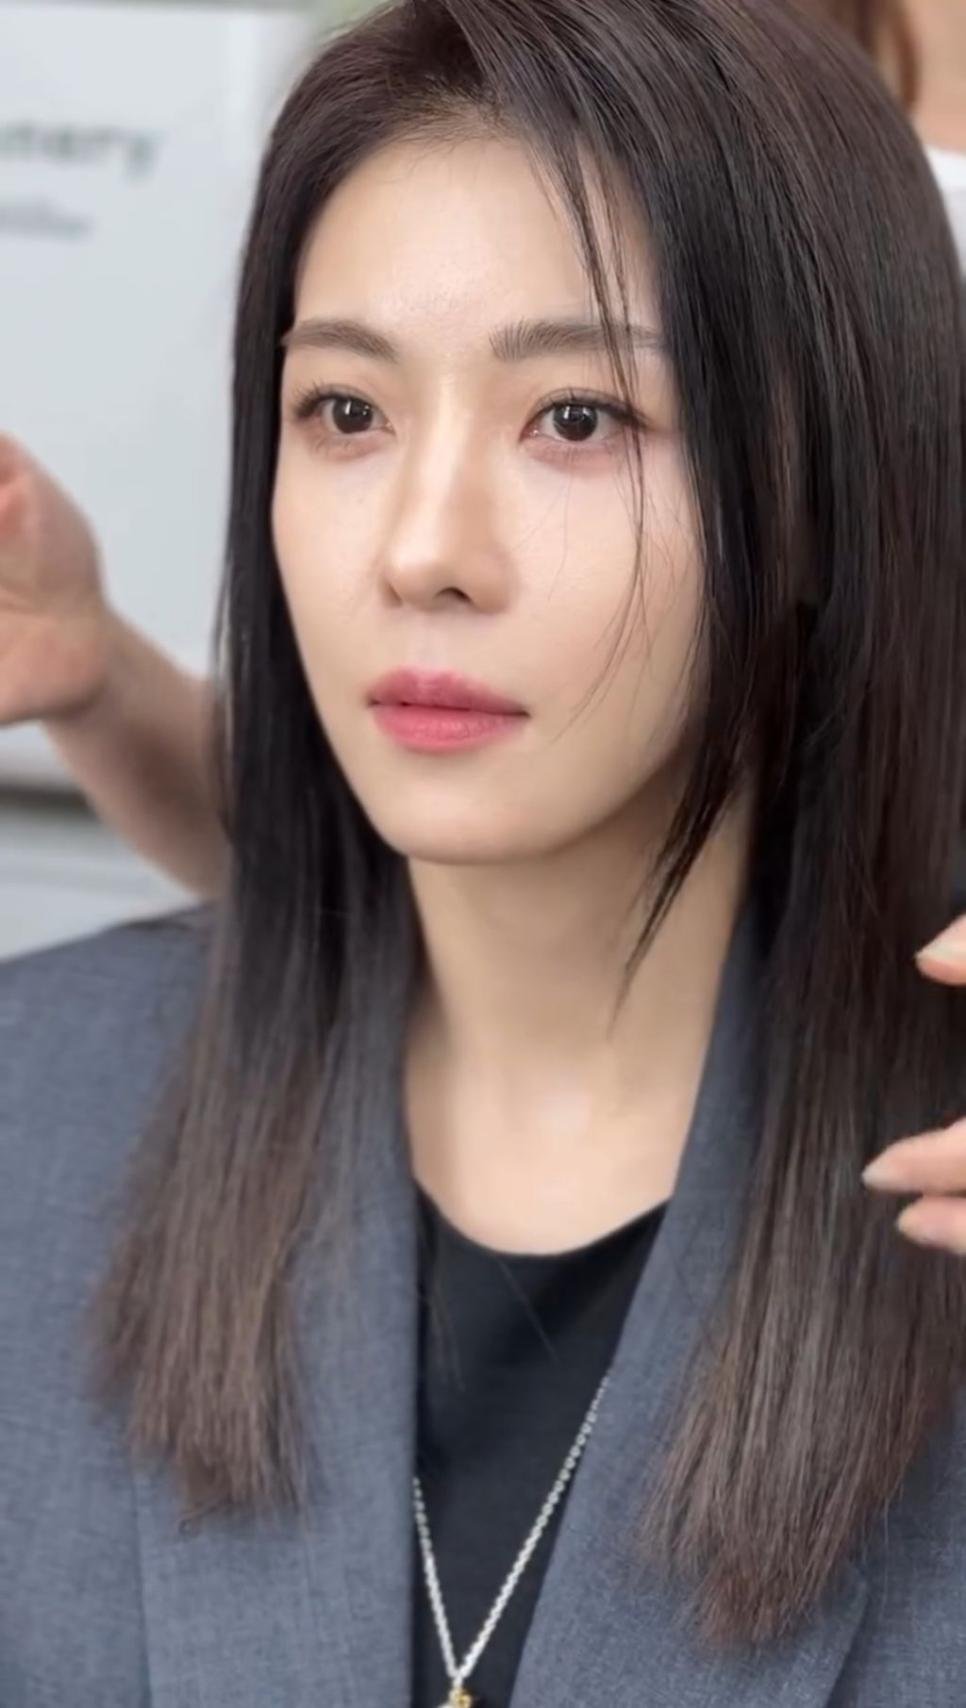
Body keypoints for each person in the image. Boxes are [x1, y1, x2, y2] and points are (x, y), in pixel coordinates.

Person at [1, 0, 966, 1702]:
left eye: (576, 419)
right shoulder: (37, 1116)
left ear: (825, 493)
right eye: (345, 410)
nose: (421, 550)